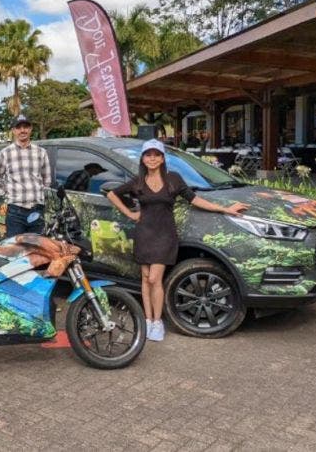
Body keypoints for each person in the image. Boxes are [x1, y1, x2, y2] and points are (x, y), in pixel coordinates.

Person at [106, 139, 249, 342]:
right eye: (148, 154)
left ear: (163, 158)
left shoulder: (173, 179)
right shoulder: (138, 181)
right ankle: (148, 320)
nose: (152, 158)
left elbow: (195, 199)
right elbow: (112, 194)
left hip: (165, 235)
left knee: (155, 279)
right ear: (143, 158)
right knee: (145, 279)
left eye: (156, 154)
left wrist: (225, 209)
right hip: (144, 233)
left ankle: (158, 321)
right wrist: (130, 214)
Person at [0, 115, 52, 237]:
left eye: (25, 127)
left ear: (31, 129)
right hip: (15, 212)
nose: (22, 130)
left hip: (37, 210)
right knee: (15, 251)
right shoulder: (5, 153)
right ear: (13, 130)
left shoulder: (41, 152)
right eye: (19, 127)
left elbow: (47, 180)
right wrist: (6, 194)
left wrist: (40, 196)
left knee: (36, 250)